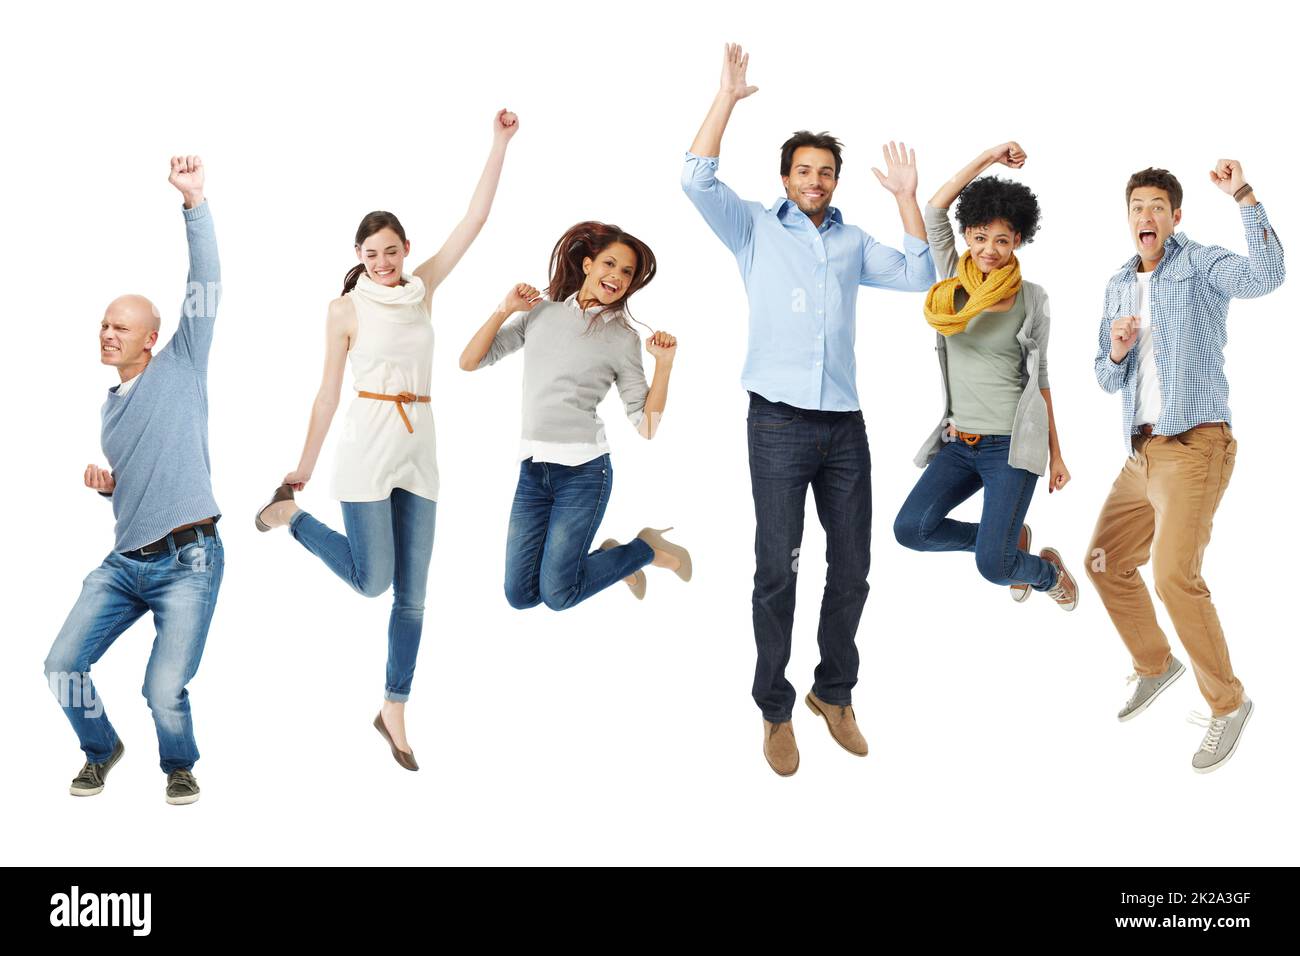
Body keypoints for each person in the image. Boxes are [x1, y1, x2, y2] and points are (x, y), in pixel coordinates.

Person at [681, 43, 935, 777]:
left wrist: (907, 199)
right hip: (779, 425)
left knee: (852, 568)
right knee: (777, 568)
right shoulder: (755, 229)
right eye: (804, 171)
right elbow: (694, 178)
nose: (815, 180)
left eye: (826, 172)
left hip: (844, 428)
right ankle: (774, 707)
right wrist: (726, 98)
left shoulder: (853, 241)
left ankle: (835, 692)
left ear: (834, 181)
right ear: (786, 178)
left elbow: (924, 274)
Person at [255, 109, 520, 771]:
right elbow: (325, 393)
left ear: (405, 250)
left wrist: (498, 143)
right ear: (358, 258)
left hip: (420, 446)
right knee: (373, 582)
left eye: (391, 251)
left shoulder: (422, 291)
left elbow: (473, 221)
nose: (382, 262)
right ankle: (291, 519)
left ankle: (394, 706)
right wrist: (300, 470)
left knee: (415, 593)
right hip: (366, 446)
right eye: (370, 254)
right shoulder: (344, 309)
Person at [1085, 160, 1284, 773]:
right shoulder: (1118, 283)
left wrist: (1244, 195)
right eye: (1136, 208)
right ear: (1128, 219)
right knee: (1103, 561)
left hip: (1196, 445)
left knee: (1174, 575)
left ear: (1175, 215)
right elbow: (1103, 375)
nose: (1146, 217)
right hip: (1141, 452)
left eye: (1156, 207)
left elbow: (1269, 275)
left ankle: (1228, 703)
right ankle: (1156, 664)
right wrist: (1116, 350)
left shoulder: (1198, 264)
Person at [44, 156, 222, 806]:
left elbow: (205, 283)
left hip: (188, 560)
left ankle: (178, 764)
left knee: (161, 687)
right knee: (61, 666)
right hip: (124, 565)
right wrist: (108, 488)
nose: (107, 333)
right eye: (103, 325)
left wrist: (194, 203)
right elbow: (146, 478)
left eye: (121, 327)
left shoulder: (183, 364)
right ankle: (101, 749)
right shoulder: (110, 409)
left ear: (151, 339)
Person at [460, 221, 690, 612]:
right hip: (534, 471)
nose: (616, 276)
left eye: (627, 272)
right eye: (609, 264)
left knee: (558, 595)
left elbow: (646, 426)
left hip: (584, 473)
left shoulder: (623, 338)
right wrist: (505, 309)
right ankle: (616, 563)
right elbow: (469, 361)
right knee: (520, 595)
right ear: (587, 265)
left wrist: (664, 367)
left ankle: (646, 549)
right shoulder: (540, 314)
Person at [894, 143, 1078, 609]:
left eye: (1001, 239)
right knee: (911, 529)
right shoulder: (949, 285)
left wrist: (1057, 454)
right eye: (978, 237)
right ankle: (1005, 541)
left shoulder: (1032, 299)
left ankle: (1046, 574)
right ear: (968, 238)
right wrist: (990, 158)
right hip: (960, 443)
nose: (988, 250)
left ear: (1017, 239)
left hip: (1012, 447)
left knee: (993, 569)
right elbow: (936, 207)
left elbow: (1042, 379)